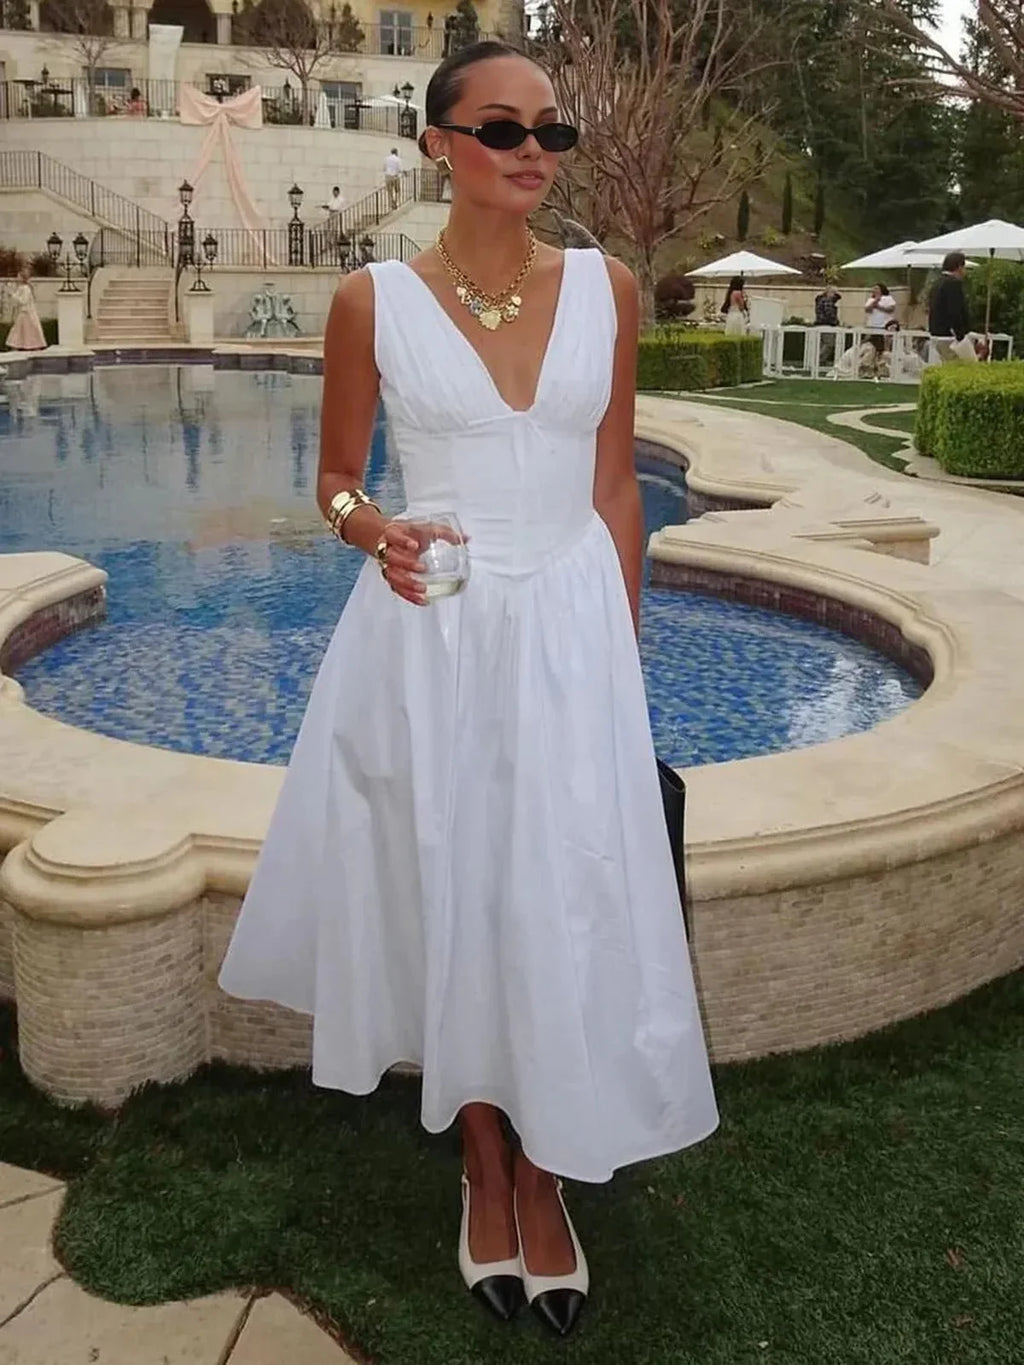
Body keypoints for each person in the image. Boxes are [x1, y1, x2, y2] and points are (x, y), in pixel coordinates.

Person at [218, 39, 717, 1337]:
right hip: (430, 638)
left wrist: (619, 662)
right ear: (438, 142)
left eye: (553, 132)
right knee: (456, 890)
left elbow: (615, 486)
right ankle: (484, 1164)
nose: (534, 152)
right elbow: (334, 481)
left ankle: (547, 1173)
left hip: (570, 631)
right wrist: (370, 528)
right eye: (503, 129)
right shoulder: (370, 301)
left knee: (561, 895)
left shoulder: (608, 287)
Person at [928, 250, 970, 362]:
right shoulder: (953, 284)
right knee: (964, 365)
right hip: (949, 336)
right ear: (959, 267)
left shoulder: (937, 283)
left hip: (936, 333)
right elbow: (955, 310)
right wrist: (960, 336)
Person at [6, 266, 47, 351]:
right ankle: (19, 347)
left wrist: (13, 295)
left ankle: (29, 347)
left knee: (24, 331)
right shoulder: (22, 288)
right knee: (21, 331)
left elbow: (23, 301)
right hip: (24, 313)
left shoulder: (26, 288)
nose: (17, 278)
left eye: (18, 277)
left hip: (27, 313)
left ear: (22, 278)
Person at [863, 281, 896, 352]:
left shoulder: (888, 298)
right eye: (874, 288)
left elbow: (891, 309)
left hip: (884, 326)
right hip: (872, 326)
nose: (875, 290)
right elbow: (867, 309)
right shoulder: (870, 300)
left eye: (877, 288)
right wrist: (875, 301)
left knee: (885, 345)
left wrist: (879, 307)